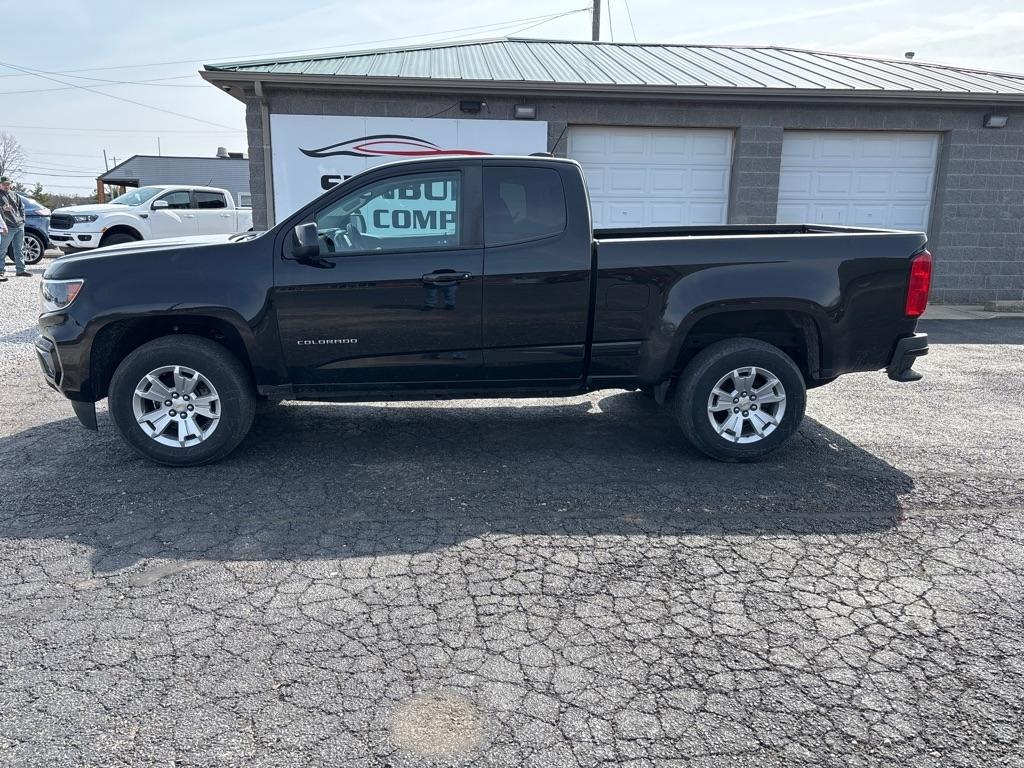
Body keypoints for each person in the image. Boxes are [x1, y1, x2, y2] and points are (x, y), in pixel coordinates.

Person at [0, 176, 30, 279]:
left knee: (19, 249)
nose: (6, 186)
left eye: (8, 184)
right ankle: (1, 271)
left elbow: (22, 208)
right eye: (4, 184)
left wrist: (22, 220)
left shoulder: (15, 194)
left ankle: (21, 270)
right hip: (7, 226)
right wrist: (3, 208)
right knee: (2, 250)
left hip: (19, 225)